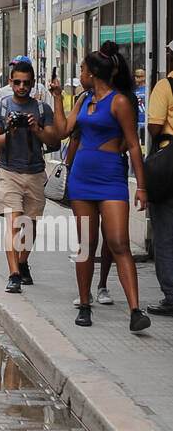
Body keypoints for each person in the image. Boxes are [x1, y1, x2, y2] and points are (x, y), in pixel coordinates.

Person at [51, 42, 151, 334]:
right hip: (81, 178)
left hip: (111, 179)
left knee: (119, 242)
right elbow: (63, 131)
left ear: (94, 73)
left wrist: (141, 187)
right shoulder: (83, 99)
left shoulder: (119, 102)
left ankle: (135, 310)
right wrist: (56, 98)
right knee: (87, 244)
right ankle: (84, 304)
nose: (80, 74)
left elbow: (134, 145)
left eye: (82, 69)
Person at [0, 58, 58, 294]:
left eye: (26, 83)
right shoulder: (1, 107)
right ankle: (14, 274)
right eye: (17, 82)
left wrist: (36, 129)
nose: (22, 87)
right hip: (9, 173)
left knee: (30, 226)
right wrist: (9, 132)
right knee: (14, 224)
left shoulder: (42, 109)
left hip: (35, 173)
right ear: (10, 82)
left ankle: (23, 262)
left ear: (33, 83)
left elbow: (54, 141)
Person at [145, 43, 173, 316]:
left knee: (165, 232)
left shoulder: (165, 87)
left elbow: (154, 127)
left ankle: (172, 296)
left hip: (169, 164)